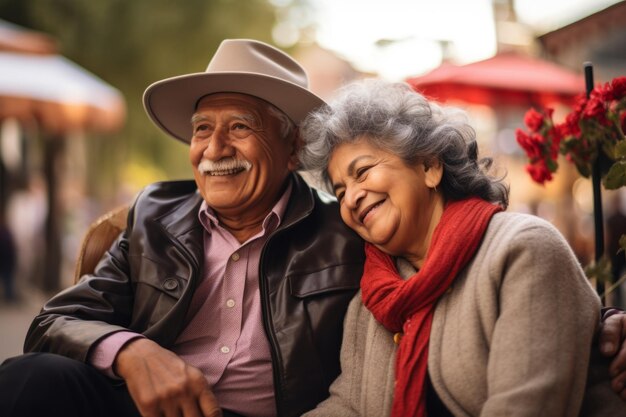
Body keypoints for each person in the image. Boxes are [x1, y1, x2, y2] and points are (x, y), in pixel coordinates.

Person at [0, 39, 365, 417]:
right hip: (148, 407)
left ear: (293, 148)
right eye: (202, 129)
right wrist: (132, 351)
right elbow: (53, 322)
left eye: (240, 126)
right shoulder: (154, 218)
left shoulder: (344, 234)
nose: (214, 149)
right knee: (30, 376)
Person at [298, 79, 626, 416]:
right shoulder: (371, 300)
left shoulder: (523, 250)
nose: (351, 198)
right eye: (340, 192)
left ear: (429, 166)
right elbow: (348, 406)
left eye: (363, 171)